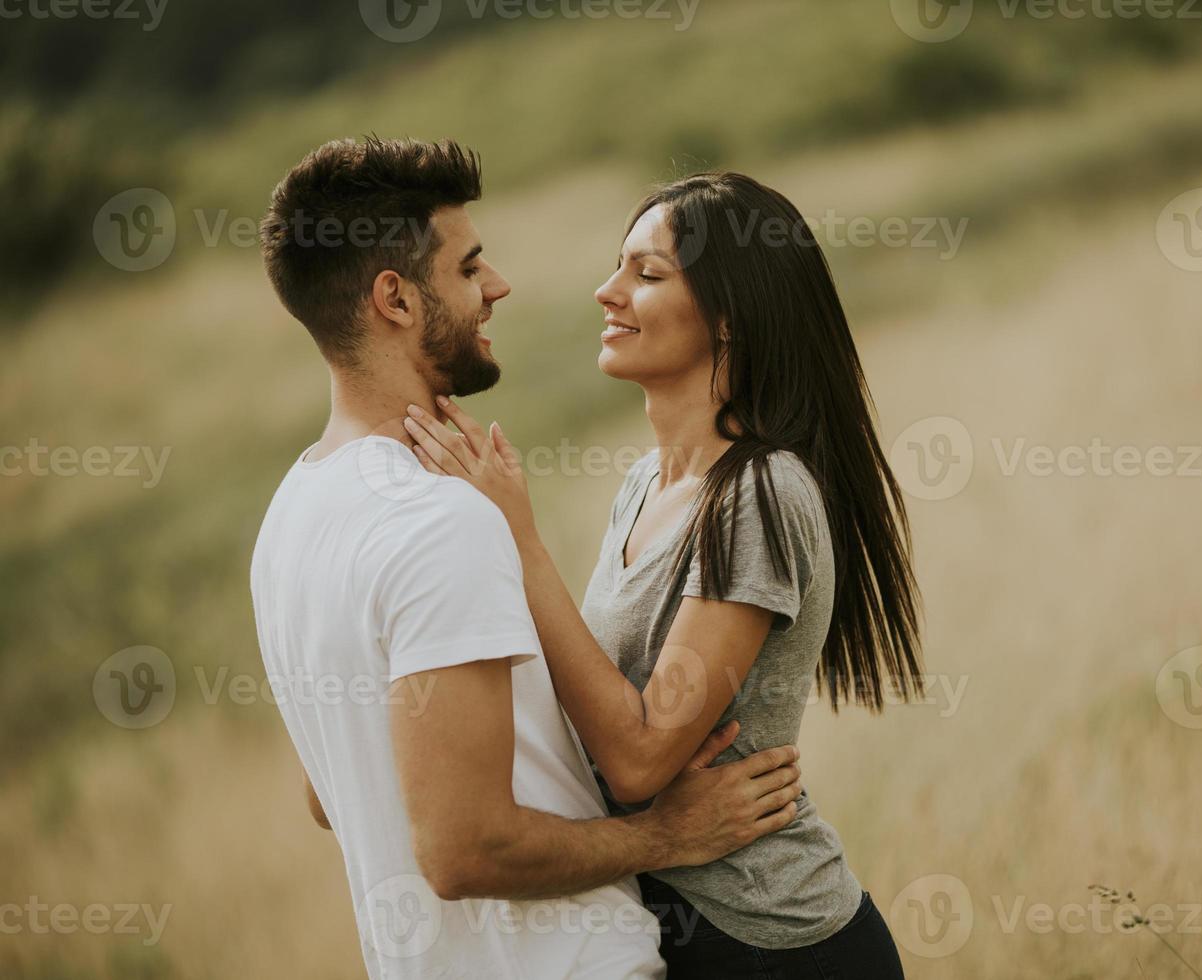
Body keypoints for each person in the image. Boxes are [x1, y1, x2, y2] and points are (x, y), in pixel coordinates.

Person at [250, 138, 803, 980]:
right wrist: (666, 835)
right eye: (469, 268)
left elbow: (329, 794)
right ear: (395, 299)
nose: (497, 286)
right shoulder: (440, 520)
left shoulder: (292, 515)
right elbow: (463, 851)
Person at [405, 171, 920, 978]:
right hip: (672, 930)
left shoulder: (760, 494)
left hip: (771, 943)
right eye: (619, 266)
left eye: (646, 275)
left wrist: (519, 537)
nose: (607, 292)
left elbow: (642, 757)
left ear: (731, 319)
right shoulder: (647, 485)